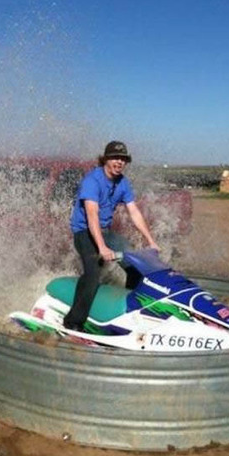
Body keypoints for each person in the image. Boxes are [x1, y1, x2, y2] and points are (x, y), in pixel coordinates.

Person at [64, 141, 159, 331]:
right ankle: (73, 322)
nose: (119, 162)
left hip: (105, 232)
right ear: (105, 159)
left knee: (135, 267)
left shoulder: (122, 182)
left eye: (123, 159)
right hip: (84, 232)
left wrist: (151, 242)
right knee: (93, 274)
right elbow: (92, 215)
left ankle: (128, 314)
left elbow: (134, 212)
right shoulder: (92, 181)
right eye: (115, 158)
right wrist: (101, 247)